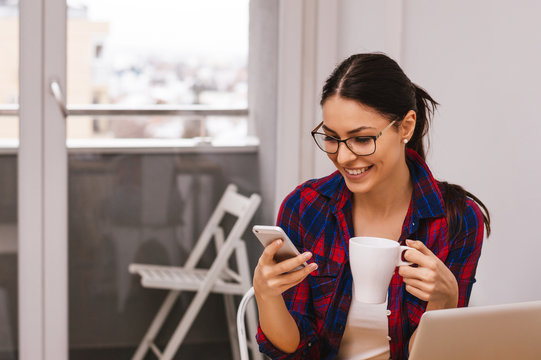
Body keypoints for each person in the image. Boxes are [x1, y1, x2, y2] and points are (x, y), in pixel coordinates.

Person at [252, 53, 490, 360]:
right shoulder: (305, 207)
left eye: (362, 139)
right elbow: (294, 352)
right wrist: (266, 295)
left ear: (406, 127)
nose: (343, 156)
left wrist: (444, 303)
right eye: (332, 138)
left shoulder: (458, 219)